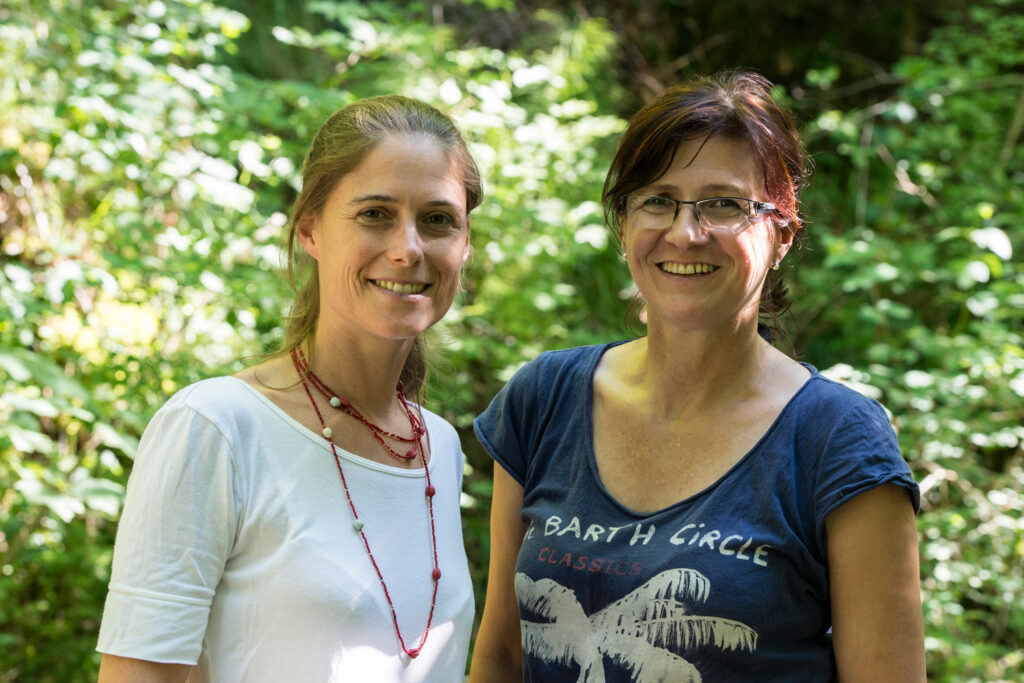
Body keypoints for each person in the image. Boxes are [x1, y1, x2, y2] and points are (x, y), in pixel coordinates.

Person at [469, 71, 925, 682]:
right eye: (658, 199)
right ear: (624, 223)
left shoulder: (835, 439)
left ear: (782, 234)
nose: (686, 233)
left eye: (724, 204)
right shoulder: (544, 398)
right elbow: (501, 657)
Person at [96, 95, 481, 682]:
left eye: (437, 219)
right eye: (375, 213)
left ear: (464, 243)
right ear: (310, 231)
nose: (408, 248)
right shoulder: (216, 427)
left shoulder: (440, 449)